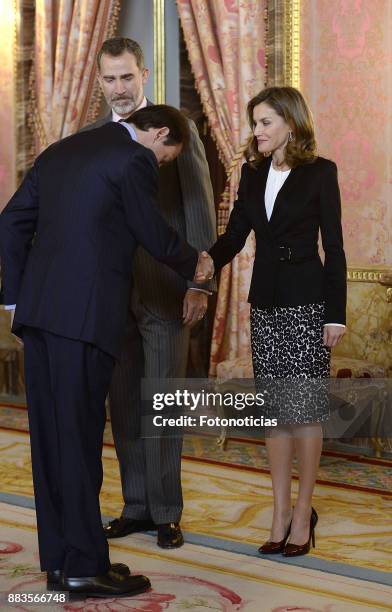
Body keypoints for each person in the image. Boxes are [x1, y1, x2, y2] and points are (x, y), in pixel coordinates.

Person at [0, 104, 214, 597]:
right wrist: (195, 266)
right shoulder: (133, 158)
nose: (160, 166)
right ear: (159, 133)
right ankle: (85, 568)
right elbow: (149, 229)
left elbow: (10, 222)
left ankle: (59, 561)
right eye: (166, 157)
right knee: (78, 442)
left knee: (51, 443)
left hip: (38, 318)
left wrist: (16, 300)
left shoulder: (59, 151)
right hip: (85, 320)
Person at [83, 37, 216, 548]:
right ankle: (135, 505)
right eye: (110, 79)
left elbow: (199, 211)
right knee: (125, 404)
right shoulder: (92, 137)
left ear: (145, 73)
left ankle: (166, 511)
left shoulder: (176, 129)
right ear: (99, 80)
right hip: (113, 296)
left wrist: (200, 283)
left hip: (166, 292)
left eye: (127, 77)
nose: (119, 88)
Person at [208, 87, 347, 557]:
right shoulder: (250, 174)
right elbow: (233, 236)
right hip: (266, 303)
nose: (257, 131)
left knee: (303, 413)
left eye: (265, 122)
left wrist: (336, 315)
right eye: (255, 123)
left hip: (308, 303)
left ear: (290, 122)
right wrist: (204, 263)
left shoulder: (320, 173)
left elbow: (336, 248)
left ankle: (304, 512)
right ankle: (281, 511)